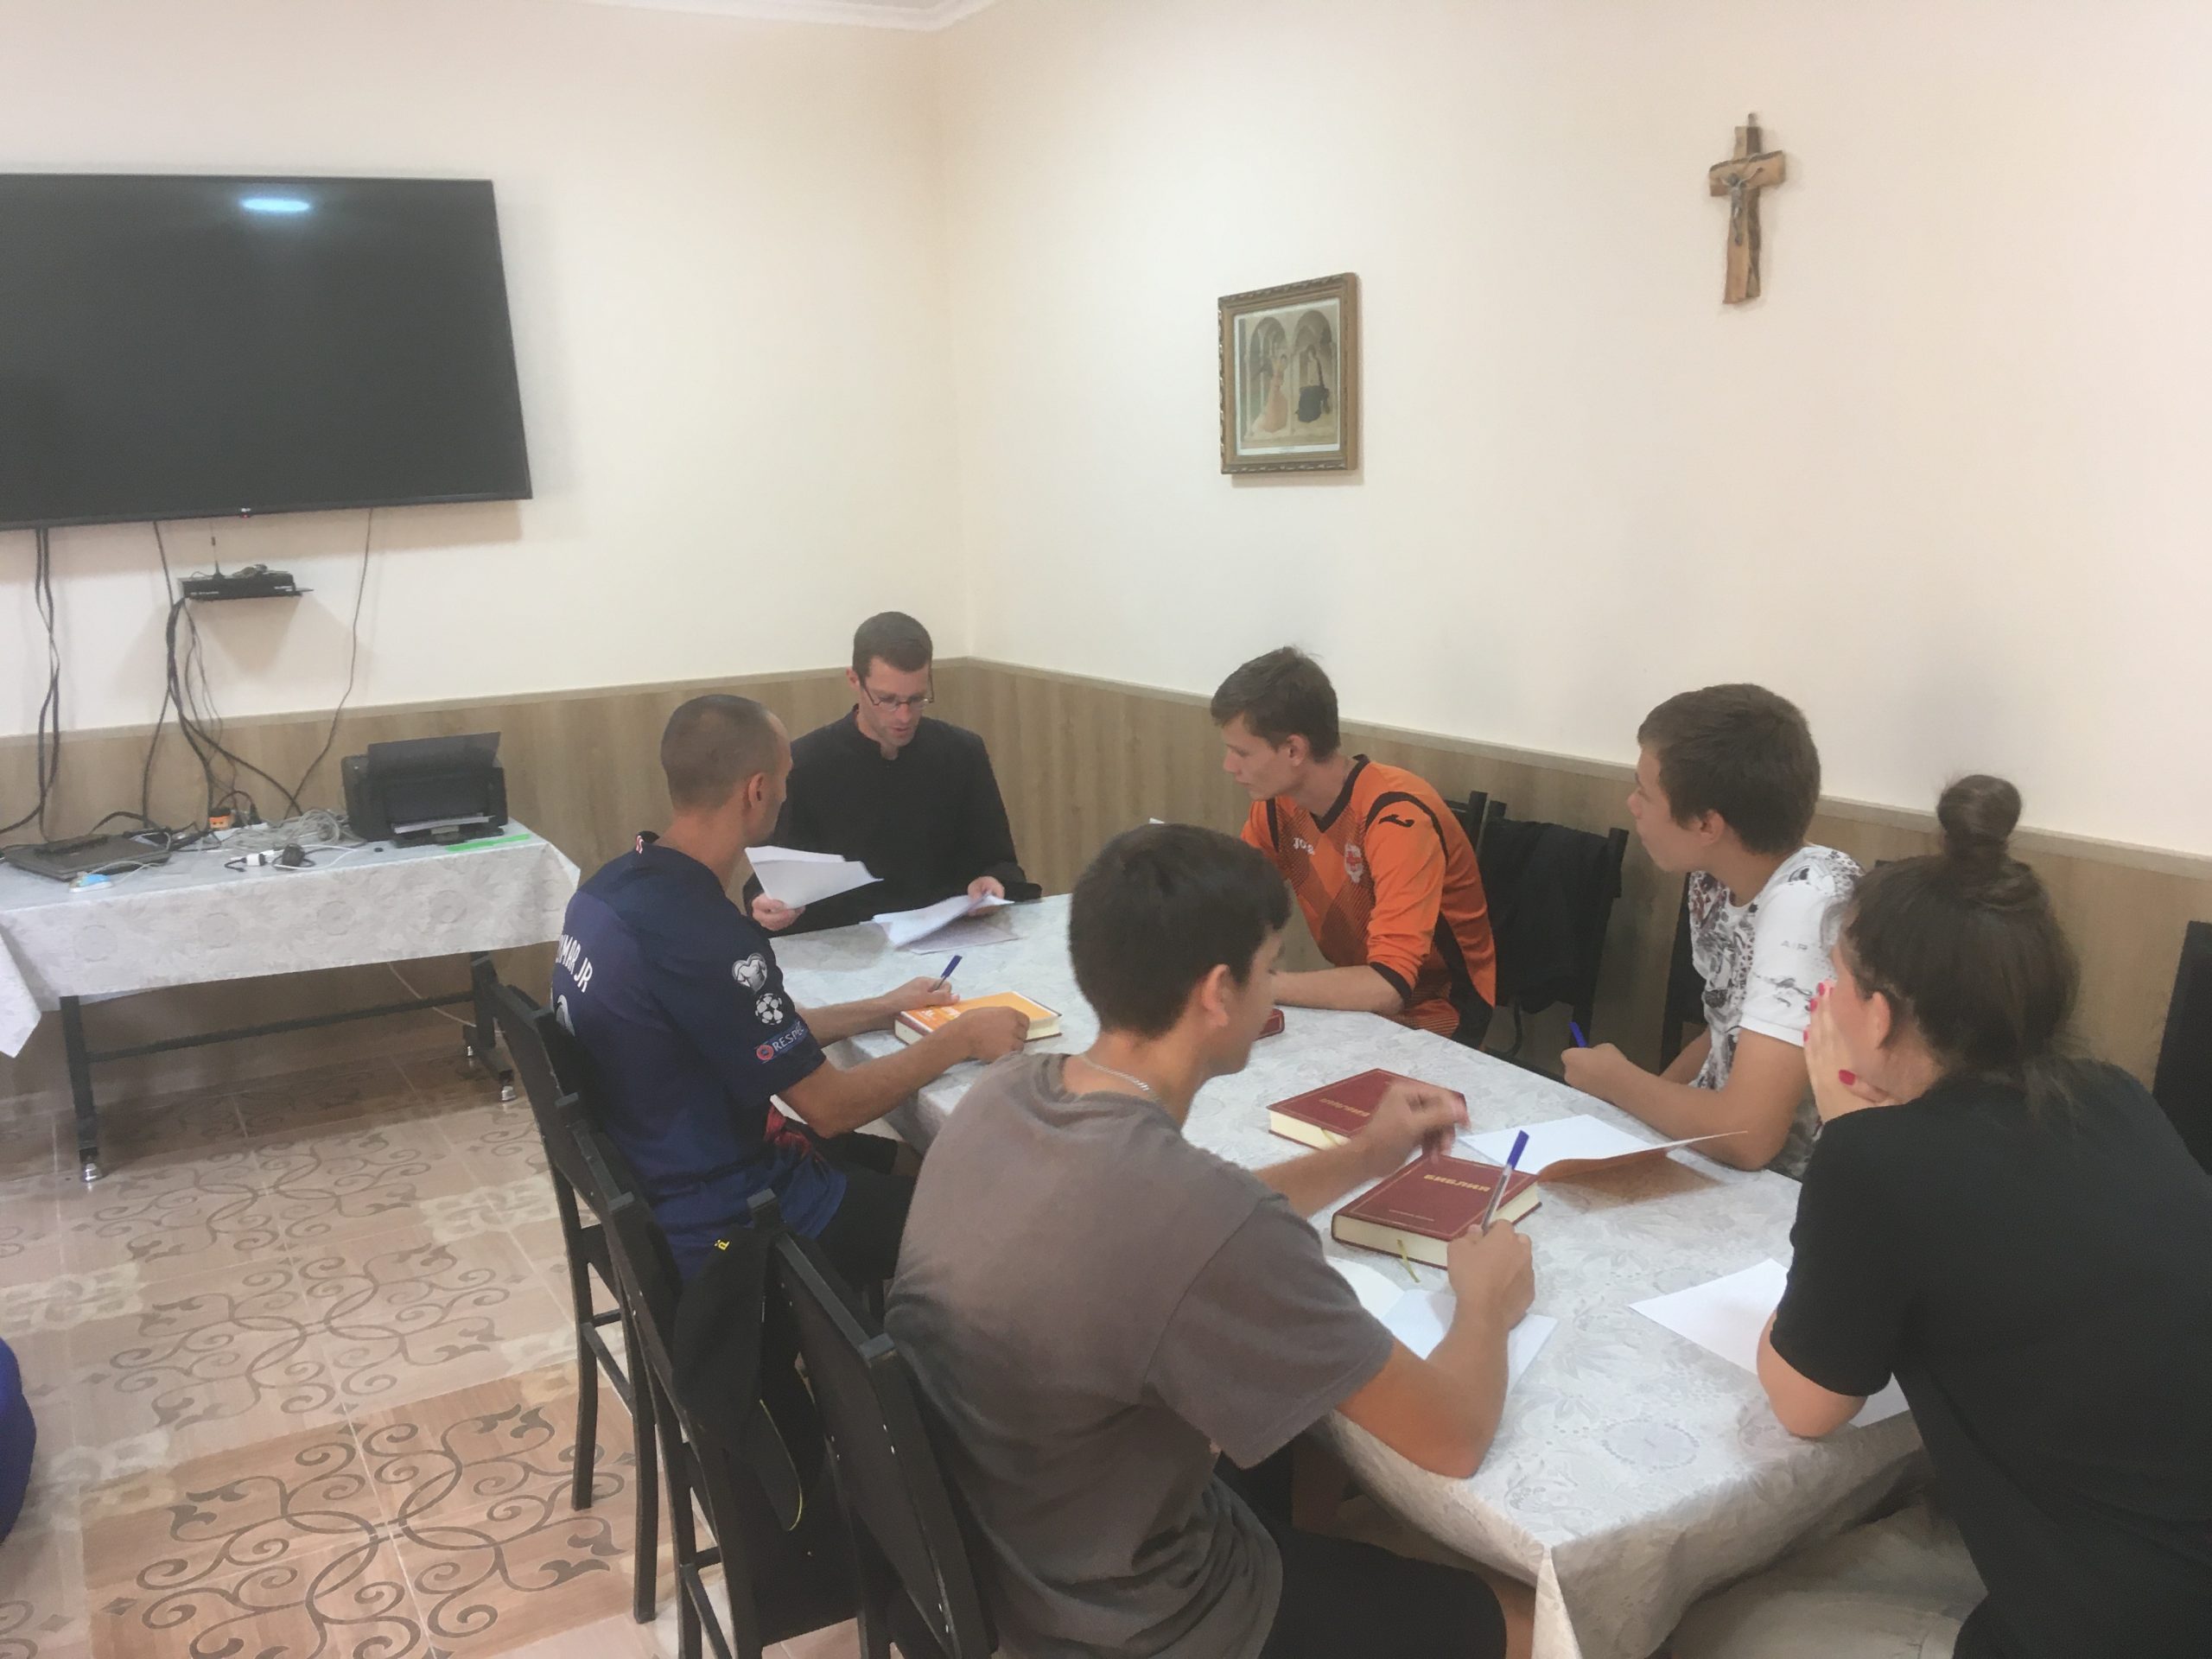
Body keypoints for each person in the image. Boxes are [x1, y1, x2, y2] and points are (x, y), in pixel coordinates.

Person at [888, 823, 1536, 1659]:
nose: (1275, 991)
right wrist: (1485, 1303)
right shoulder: (1200, 1216)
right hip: (1136, 1618)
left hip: (996, 1560)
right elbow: (1454, 1438)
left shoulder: (1005, 1095)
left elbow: (1189, 1225)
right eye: (1271, 968)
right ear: (1218, 993)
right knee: (1535, 1621)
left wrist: (1366, 1156)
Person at [1676, 775, 2212, 1658]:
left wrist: (1850, 1135)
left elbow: (1805, 1404)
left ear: (1880, 1015)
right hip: (2159, 1563)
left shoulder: (1878, 1163)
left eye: (1835, 978)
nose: (1823, 1001)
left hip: (2106, 1624)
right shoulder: (2111, 1096)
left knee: (1705, 1622)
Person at [550, 694, 1028, 1286]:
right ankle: (887, 1344)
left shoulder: (609, 890)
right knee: (997, 1225)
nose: (785, 792)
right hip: (730, 1225)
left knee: (916, 1160)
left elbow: (746, 1025)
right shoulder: (703, 935)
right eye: (784, 778)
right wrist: (960, 1039)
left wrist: (884, 1009)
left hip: (660, 1174)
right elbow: (831, 1109)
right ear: (757, 790)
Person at [1563, 684, 1858, 1174]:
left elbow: (1749, 1137)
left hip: (1792, 1185)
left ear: (1707, 825)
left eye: (1644, 792)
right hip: (1716, 1158)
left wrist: (1617, 1081)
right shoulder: (1714, 878)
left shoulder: (1809, 906)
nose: (1632, 804)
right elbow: (1723, 1028)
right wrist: (1638, 1116)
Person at [1212, 647, 1498, 1046]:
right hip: (1365, 1004)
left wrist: (1260, 985)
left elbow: (1389, 985)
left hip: (1441, 1008)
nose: (1229, 765)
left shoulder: (1396, 818)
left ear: (1294, 750)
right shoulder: (1276, 807)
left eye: (1242, 752)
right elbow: (1235, 906)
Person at [748, 612, 1028, 935]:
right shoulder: (805, 763)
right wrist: (766, 904)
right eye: (887, 700)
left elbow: (1000, 862)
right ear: (854, 680)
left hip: (949, 938)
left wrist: (993, 882)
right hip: (845, 946)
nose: (904, 716)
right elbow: (770, 880)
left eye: (916, 699)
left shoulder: (963, 753)